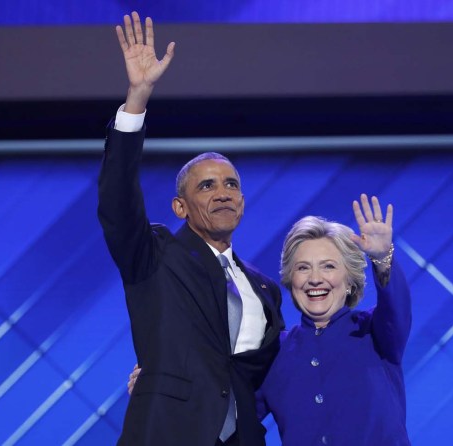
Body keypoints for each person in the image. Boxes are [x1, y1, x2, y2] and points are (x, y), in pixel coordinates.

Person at [99, 11, 284, 446]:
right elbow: (117, 201)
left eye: (231, 184)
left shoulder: (263, 290)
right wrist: (137, 100)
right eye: (207, 185)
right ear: (180, 206)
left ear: (242, 202)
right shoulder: (155, 254)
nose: (222, 193)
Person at [129, 195, 413, 445]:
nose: (315, 278)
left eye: (328, 266)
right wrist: (161, 390)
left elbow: (396, 308)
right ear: (291, 280)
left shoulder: (375, 333)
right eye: (303, 268)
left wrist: (382, 259)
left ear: (350, 281)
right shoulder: (272, 352)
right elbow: (223, 411)